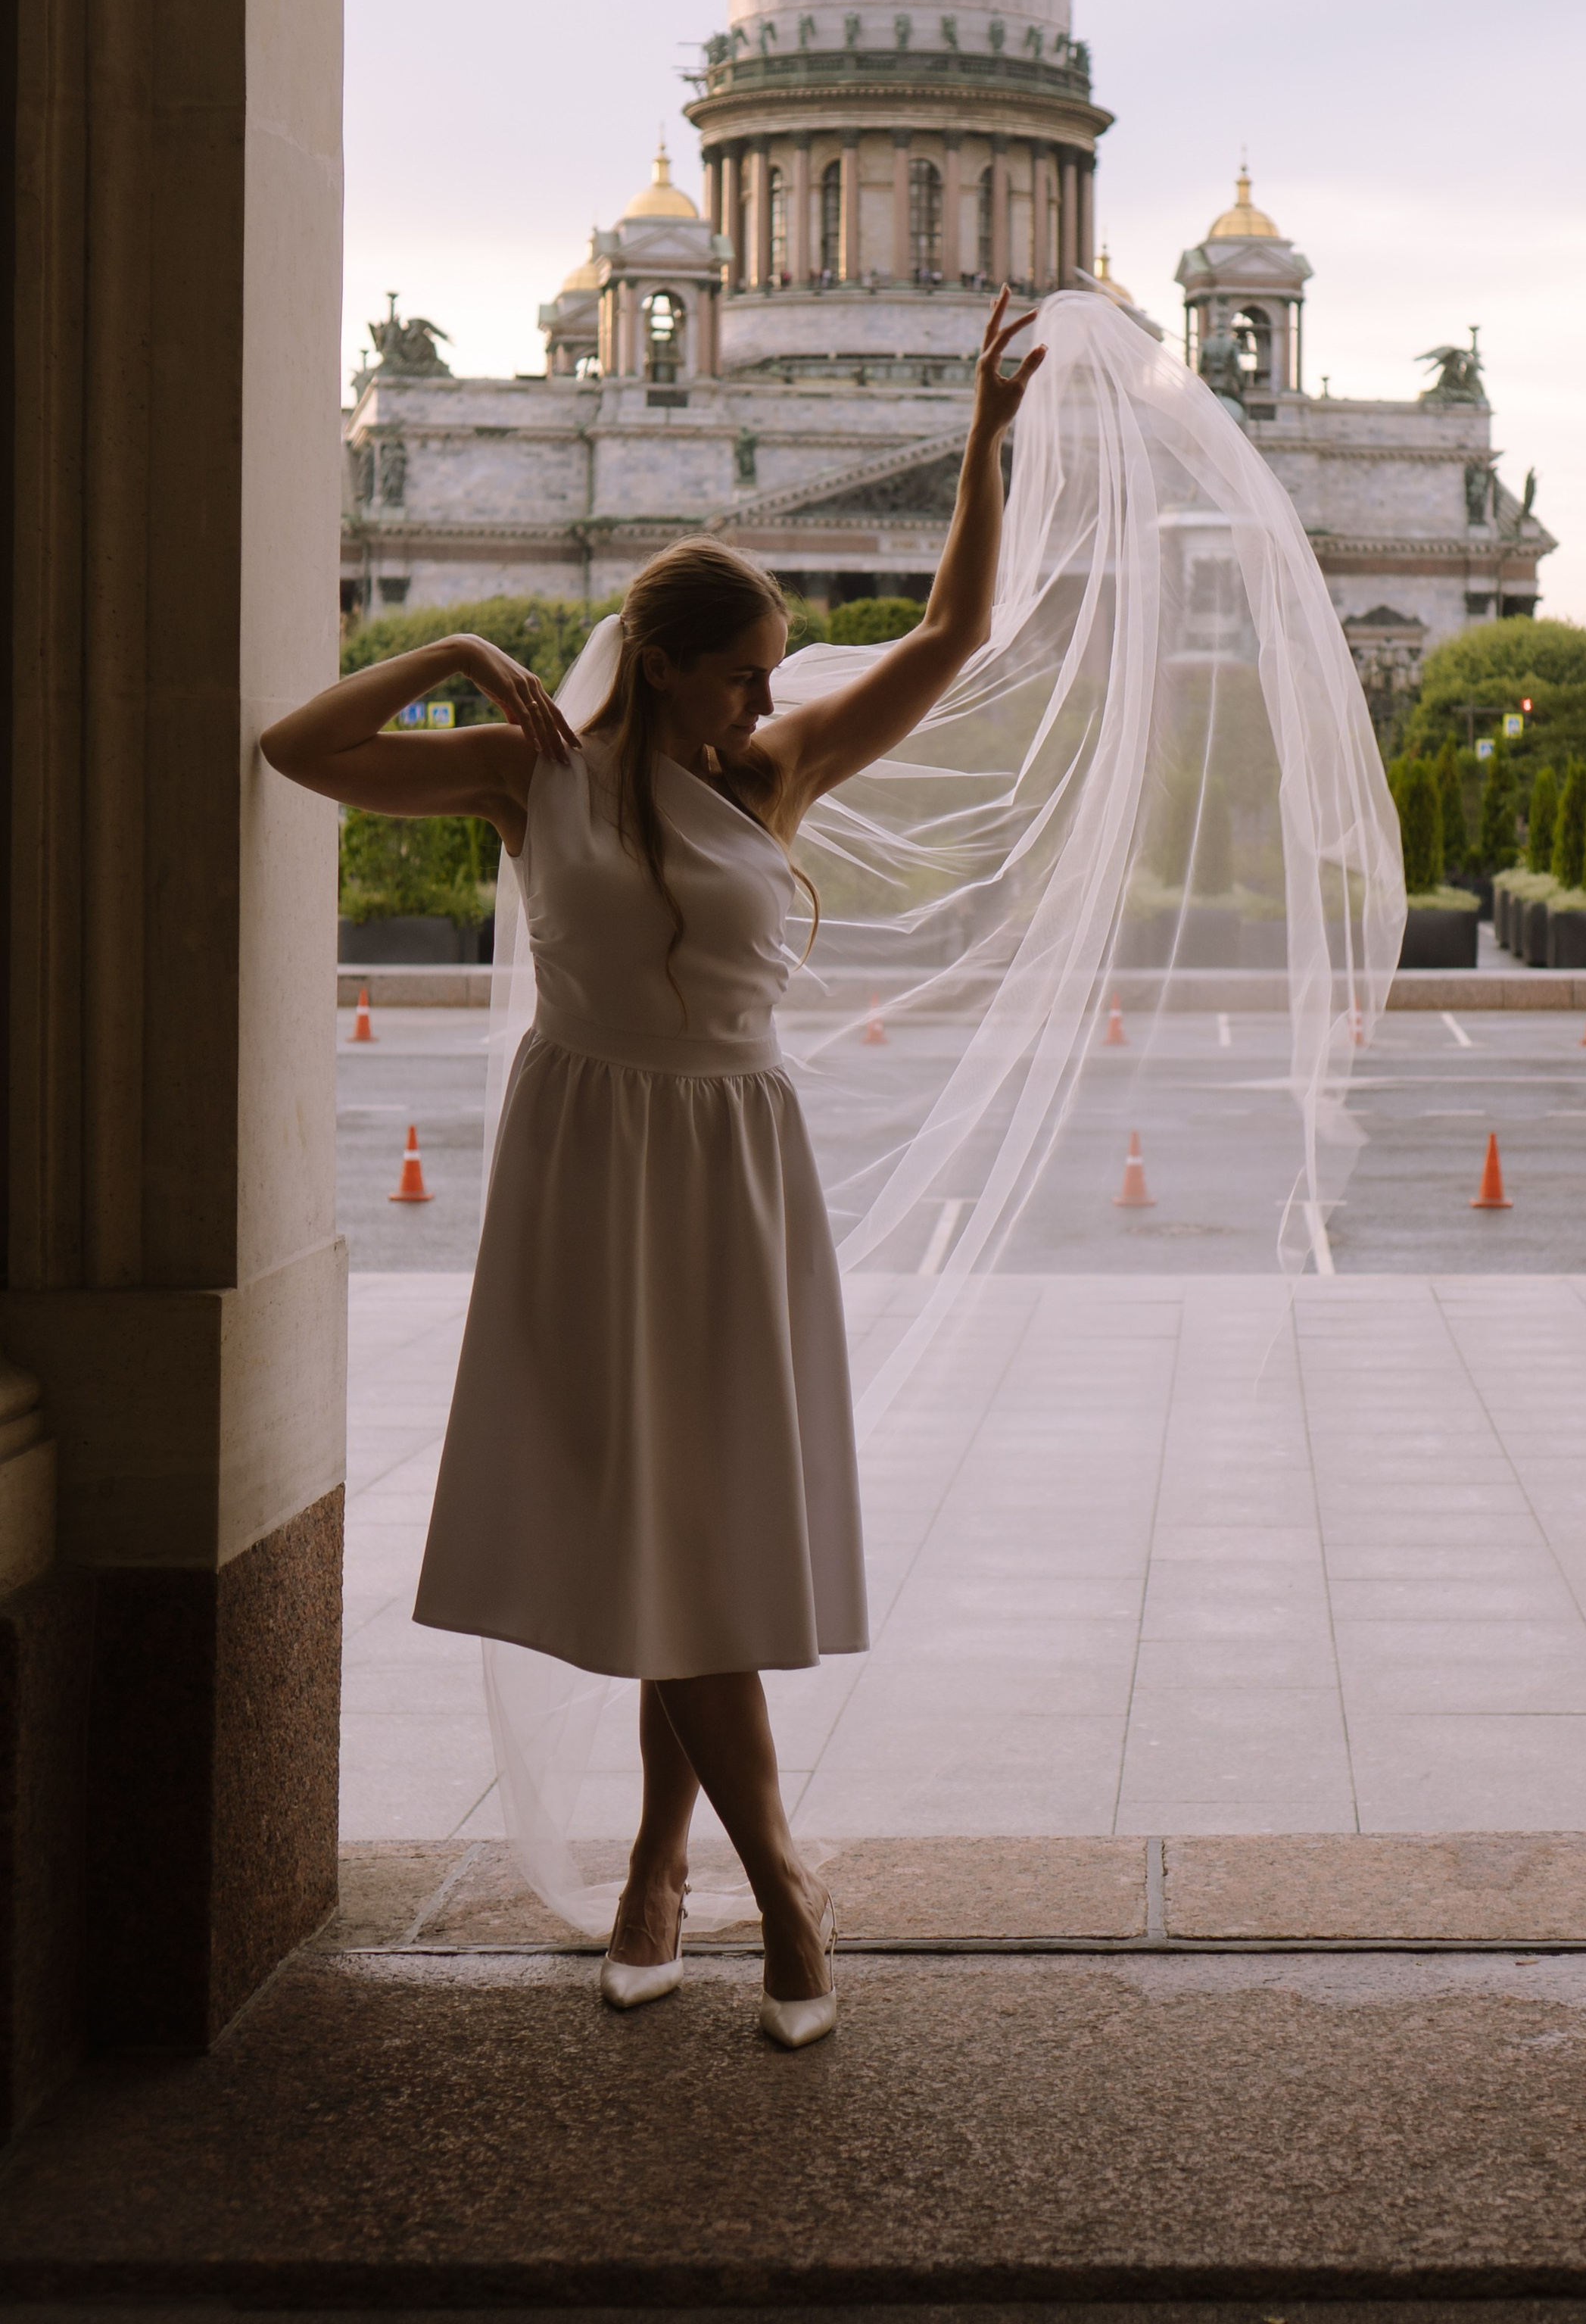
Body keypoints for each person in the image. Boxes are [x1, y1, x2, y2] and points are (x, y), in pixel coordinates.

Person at [263, 289, 1046, 2050]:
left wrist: (982, 449)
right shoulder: (525, 774)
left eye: (771, 671)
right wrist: (463, 660)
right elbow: (296, 753)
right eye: (744, 665)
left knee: (692, 1542)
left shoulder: (779, 770)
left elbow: (951, 631)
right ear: (665, 658)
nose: (770, 692)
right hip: (589, 1160)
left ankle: (681, 1879)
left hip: (729, 1163)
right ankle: (763, 1888)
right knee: (650, 1538)